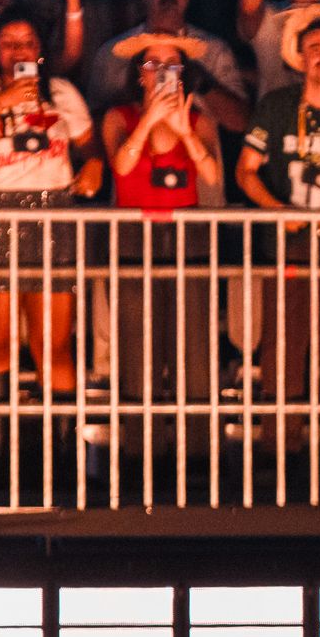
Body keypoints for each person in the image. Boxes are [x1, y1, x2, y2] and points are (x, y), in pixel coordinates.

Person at [0, 6, 103, 462]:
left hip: (51, 210)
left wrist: (92, 164)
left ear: (40, 51)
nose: (18, 51)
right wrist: (0, 103)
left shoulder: (62, 93)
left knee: (52, 342)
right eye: (9, 43)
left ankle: (64, 453)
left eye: (27, 43)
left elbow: (90, 146)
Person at [235, 8, 320, 469]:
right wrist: (278, 211)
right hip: (287, 241)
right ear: (299, 57)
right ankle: (278, 451)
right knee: (283, 344)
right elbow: (245, 171)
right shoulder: (276, 105)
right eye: (315, 49)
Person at [101, 33, 220, 464]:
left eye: (172, 65)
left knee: (194, 347)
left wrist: (185, 131)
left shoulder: (199, 116)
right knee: (137, 346)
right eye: (154, 65)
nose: (163, 73)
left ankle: (200, 455)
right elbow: (123, 166)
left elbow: (208, 173)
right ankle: (138, 456)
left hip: (187, 233)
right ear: (140, 74)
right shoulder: (119, 115)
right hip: (134, 235)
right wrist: (151, 120)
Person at [87, 0, 249, 133]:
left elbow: (241, 123)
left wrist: (200, 82)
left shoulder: (214, 50)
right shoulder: (112, 53)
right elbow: (90, 126)